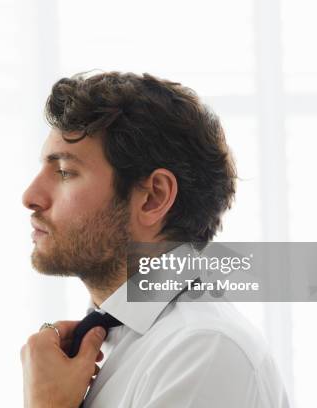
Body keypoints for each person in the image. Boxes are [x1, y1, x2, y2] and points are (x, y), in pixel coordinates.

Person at [20, 72, 289, 407]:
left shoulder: (204, 352)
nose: (30, 196)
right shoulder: (103, 344)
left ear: (153, 198)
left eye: (64, 172)